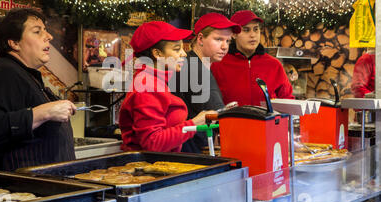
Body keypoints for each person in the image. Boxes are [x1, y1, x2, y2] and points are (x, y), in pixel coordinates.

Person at [0, 8, 77, 173]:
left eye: (45, 31)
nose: (49, 37)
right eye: (37, 32)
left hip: (43, 186)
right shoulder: (2, 73)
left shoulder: (26, 75)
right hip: (14, 192)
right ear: (14, 43)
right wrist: (42, 112)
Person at [119, 21, 217, 152]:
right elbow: (152, 142)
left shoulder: (155, 81)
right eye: (177, 49)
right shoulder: (147, 85)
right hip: (147, 167)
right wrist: (194, 123)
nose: (184, 54)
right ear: (157, 54)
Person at [170, 12, 241, 153]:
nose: (224, 46)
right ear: (200, 38)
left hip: (183, 148)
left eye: (228, 41)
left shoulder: (190, 63)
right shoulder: (196, 68)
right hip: (189, 152)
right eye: (218, 39)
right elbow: (219, 116)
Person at [211, 10, 294, 106]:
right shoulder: (217, 64)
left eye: (256, 29)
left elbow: (288, 100)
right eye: (246, 30)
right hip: (229, 120)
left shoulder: (274, 65)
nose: (252, 35)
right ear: (234, 34)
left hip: (267, 121)